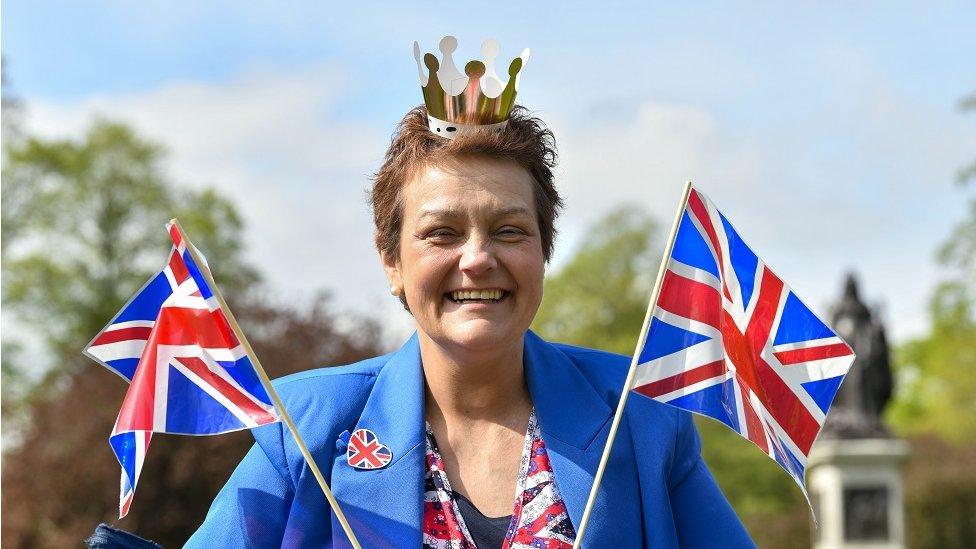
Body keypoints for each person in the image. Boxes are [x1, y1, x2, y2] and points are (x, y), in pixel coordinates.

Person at [187, 37, 753, 548]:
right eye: (443, 233)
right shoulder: (303, 429)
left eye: (509, 231)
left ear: (542, 253)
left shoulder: (642, 416)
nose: (479, 258)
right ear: (392, 261)